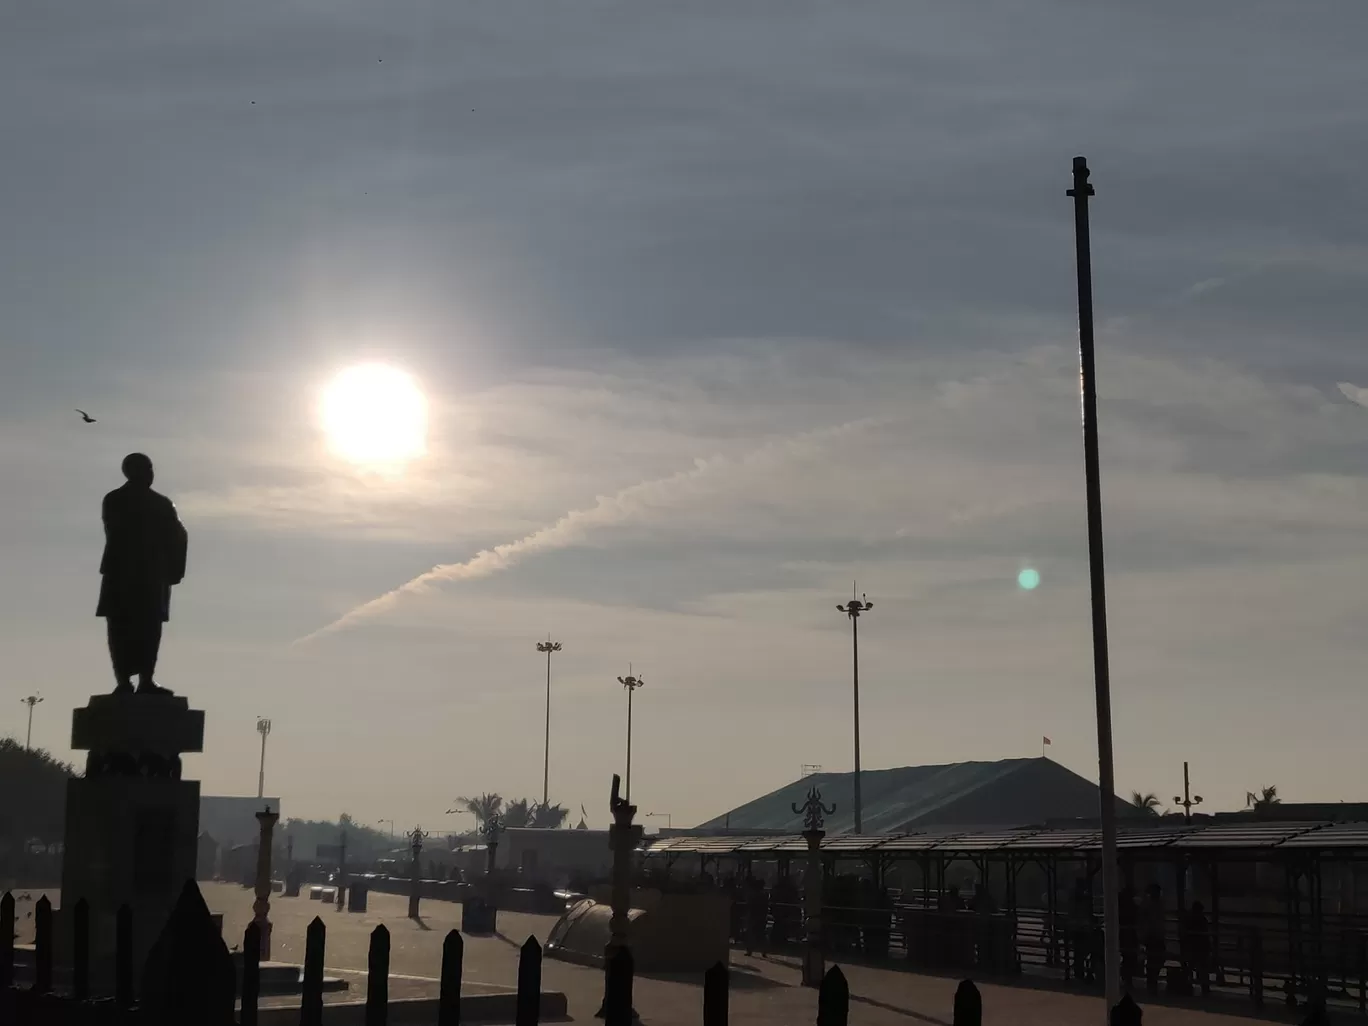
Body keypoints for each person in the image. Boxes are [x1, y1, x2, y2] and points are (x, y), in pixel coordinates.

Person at [97, 453, 187, 696]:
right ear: (133, 471)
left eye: (151, 468)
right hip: (125, 573)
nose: (150, 473)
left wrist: (175, 568)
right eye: (147, 468)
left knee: (148, 627)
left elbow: (178, 534)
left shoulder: (162, 503)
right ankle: (125, 681)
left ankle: (146, 679)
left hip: (151, 575)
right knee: (121, 627)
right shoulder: (116, 499)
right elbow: (116, 531)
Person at [1141, 884, 1166, 996]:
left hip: (1157, 936)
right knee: (1153, 961)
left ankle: (1152, 983)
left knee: (1158, 960)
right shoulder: (1149, 905)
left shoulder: (1158, 904)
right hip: (1152, 937)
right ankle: (1151, 984)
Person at [1183, 900, 1211, 996]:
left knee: (1191, 967)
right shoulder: (1201, 919)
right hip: (1200, 947)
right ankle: (1205, 987)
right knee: (1202, 968)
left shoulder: (1189, 918)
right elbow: (1206, 934)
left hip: (1193, 947)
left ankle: (1188, 985)